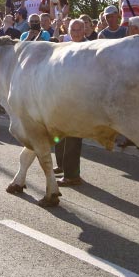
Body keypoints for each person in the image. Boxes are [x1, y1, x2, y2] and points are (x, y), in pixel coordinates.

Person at [55, 19, 91, 187]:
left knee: (72, 136)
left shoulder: (90, 47)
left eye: (79, 30)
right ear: (68, 31)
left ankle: (72, 175)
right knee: (59, 134)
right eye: (73, 30)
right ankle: (62, 165)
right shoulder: (65, 46)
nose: (76, 33)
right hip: (63, 96)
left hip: (80, 98)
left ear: (84, 30)